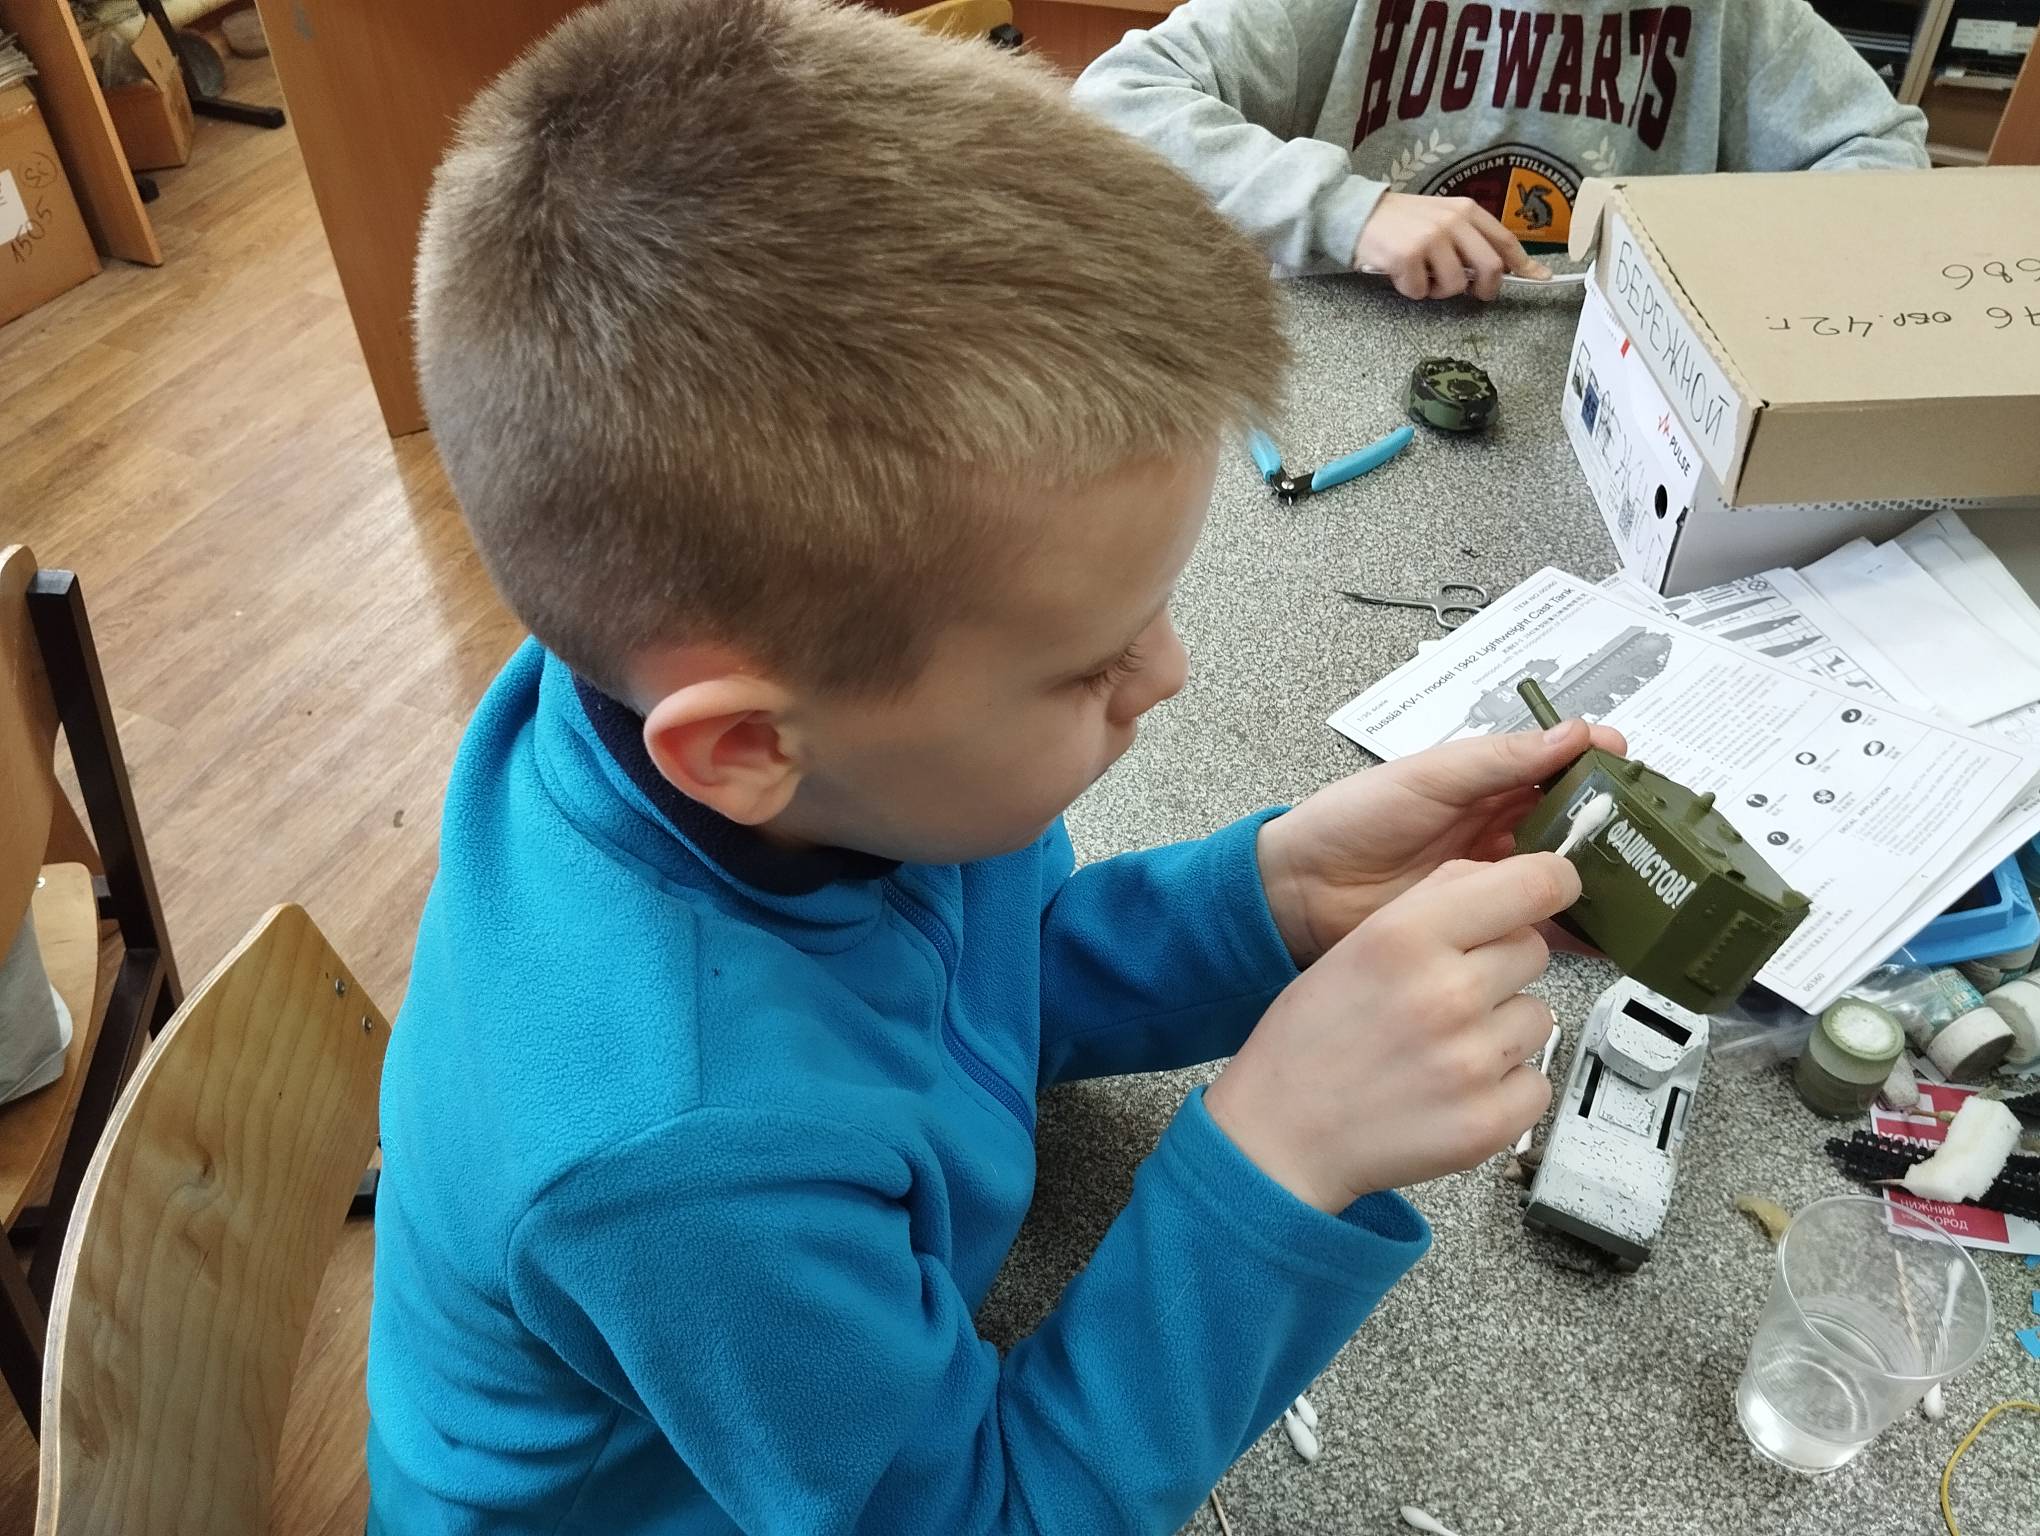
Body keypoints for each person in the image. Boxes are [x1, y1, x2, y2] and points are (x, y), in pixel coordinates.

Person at [366, 1, 1619, 1531]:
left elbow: (972, 989)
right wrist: (1278, 1157)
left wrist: (1279, 900)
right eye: (1091, 663)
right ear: (747, 745)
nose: (1170, 673)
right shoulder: (689, 1162)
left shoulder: (784, 744)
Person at [1073, 0, 1930, 298]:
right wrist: (1347, 208)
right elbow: (1115, 99)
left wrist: (1709, 253)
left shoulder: (1738, 15)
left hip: (1619, 377)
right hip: (1345, 358)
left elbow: (1884, 157)